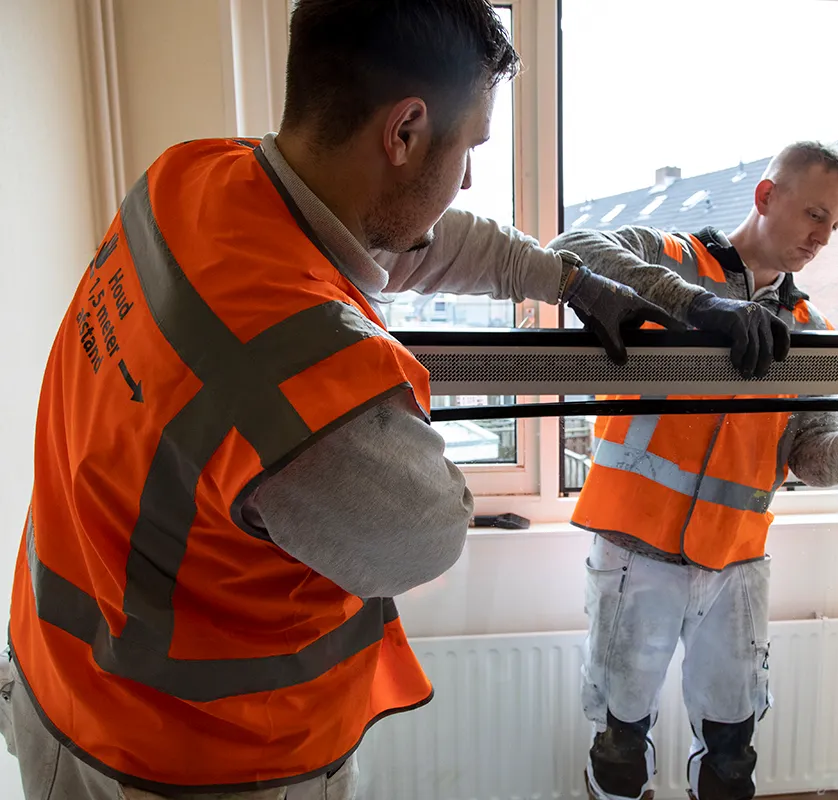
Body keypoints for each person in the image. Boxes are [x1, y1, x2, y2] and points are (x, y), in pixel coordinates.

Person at [0, 1, 681, 798]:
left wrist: (568, 280)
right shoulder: (308, 383)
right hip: (192, 760)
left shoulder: (192, 178)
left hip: (55, 679)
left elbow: (405, 240)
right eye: (468, 150)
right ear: (404, 132)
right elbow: (424, 535)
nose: (467, 178)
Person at [549, 142, 838, 800]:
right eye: (814, 214)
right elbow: (569, 247)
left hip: (737, 563)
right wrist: (694, 306)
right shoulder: (673, 259)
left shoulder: (808, 329)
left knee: (730, 762)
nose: (823, 238)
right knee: (621, 750)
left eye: (836, 226)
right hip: (637, 551)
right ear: (766, 197)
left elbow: (810, 455)